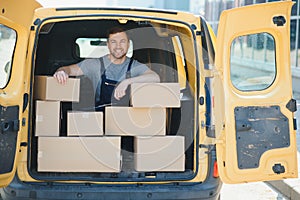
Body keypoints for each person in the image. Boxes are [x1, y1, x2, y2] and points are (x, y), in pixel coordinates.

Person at [54, 27, 160, 108]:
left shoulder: (134, 66)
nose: (118, 46)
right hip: (101, 121)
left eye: (122, 41)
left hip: (127, 121)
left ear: (128, 44)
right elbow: (68, 69)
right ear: (108, 45)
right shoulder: (95, 64)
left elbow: (155, 78)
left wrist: (127, 82)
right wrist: (62, 72)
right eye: (113, 42)